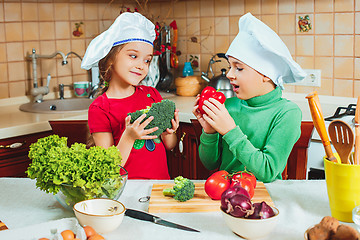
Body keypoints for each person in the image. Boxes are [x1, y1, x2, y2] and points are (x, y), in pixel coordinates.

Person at [193, 13, 306, 183]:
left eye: (239, 68)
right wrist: (209, 132)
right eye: (229, 67)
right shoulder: (229, 106)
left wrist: (230, 130)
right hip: (224, 192)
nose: (230, 74)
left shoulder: (287, 113)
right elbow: (210, 164)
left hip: (264, 197)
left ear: (266, 75)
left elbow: (268, 172)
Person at [81, 12, 179, 179]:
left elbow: (169, 145)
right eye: (133, 56)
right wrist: (129, 136)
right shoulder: (100, 108)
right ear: (110, 58)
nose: (141, 66)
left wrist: (169, 131)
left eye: (147, 60)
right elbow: (109, 167)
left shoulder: (152, 95)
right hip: (127, 191)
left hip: (160, 186)